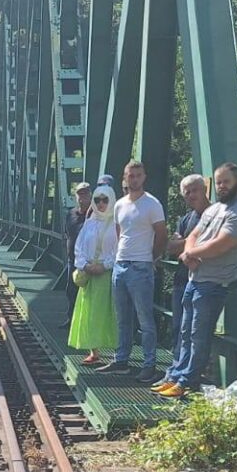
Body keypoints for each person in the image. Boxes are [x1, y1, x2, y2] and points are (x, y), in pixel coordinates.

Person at [157, 164, 237, 397]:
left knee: (199, 334)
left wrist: (191, 254)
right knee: (186, 331)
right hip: (195, 279)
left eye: (226, 181)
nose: (222, 186)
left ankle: (187, 382)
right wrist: (190, 252)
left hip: (214, 283)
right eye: (219, 182)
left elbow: (222, 244)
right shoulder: (216, 209)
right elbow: (194, 234)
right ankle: (177, 375)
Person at [98, 160, 167, 379]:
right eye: (130, 175)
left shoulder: (152, 204)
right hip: (121, 266)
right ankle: (121, 360)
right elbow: (120, 233)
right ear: (125, 178)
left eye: (138, 175)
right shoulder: (119, 204)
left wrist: (151, 257)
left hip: (140, 267)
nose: (134, 179)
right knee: (122, 318)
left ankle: (149, 364)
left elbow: (162, 235)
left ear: (144, 177)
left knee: (145, 319)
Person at [163, 174, 211, 375]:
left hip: (205, 282)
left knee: (196, 332)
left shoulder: (215, 215)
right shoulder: (186, 218)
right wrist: (194, 243)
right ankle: (177, 371)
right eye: (187, 192)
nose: (191, 195)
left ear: (205, 190)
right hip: (182, 281)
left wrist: (186, 244)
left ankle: (191, 375)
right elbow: (170, 247)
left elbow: (215, 244)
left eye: (195, 190)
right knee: (179, 329)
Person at [68, 183, 118, 365]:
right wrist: (84, 265)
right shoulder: (89, 223)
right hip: (90, 273)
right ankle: (93, 351)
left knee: (110, 312)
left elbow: (119, 249)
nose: (101, 203)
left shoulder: (116, 223)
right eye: (97, 200)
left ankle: (116, 353)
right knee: (89, 313)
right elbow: (78, 248)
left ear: (112, 200)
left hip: (108, 274)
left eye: (105, 199)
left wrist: (105, 265)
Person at [57, 182, 94, 328]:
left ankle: (86, 323)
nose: (82, 197)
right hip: (73, 260)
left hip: (89, 261)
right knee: (71, 290)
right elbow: (67, 234)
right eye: (79, 194)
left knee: (88, 294)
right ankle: (71, 319)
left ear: (90, 195)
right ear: (75, 196)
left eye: (85, 193)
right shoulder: (70, 214)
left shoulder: (95, 216)